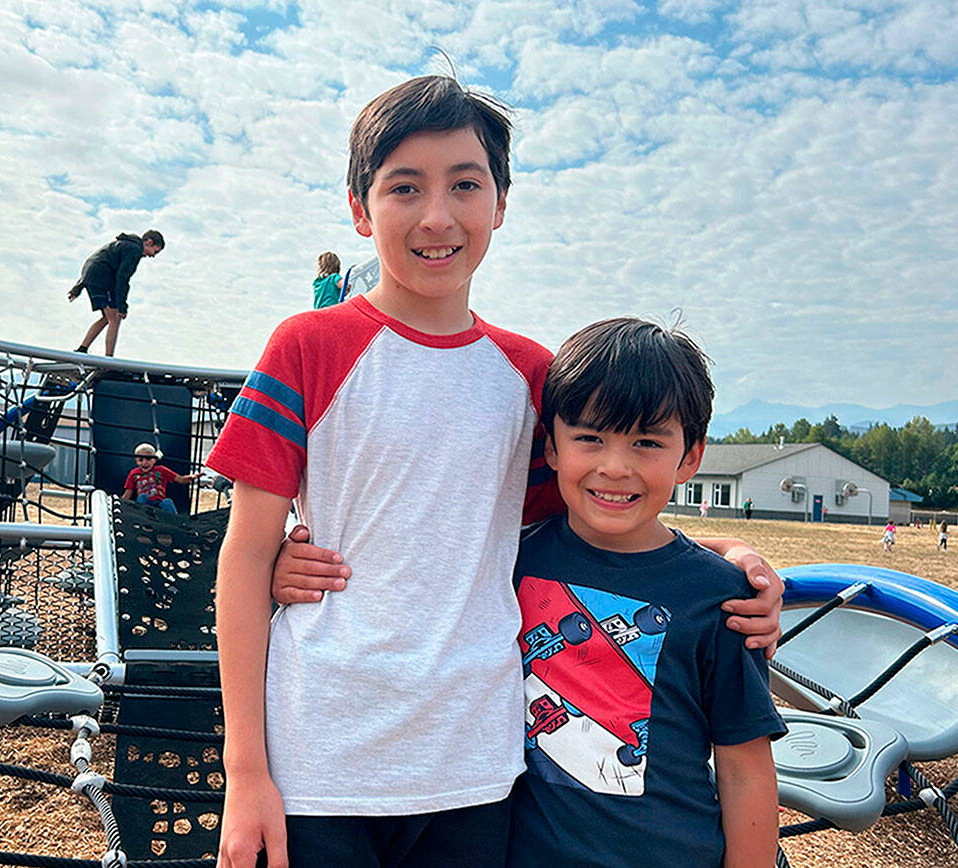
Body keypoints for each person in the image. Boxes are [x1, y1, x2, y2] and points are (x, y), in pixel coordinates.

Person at [207, 75, 782, 868]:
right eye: (404, 187)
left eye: (465, 185)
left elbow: (596, 519)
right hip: (319, 752)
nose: (437, 216)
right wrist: (246, 771)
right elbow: (243, 553)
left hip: (477, 761)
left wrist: (725, 561)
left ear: (501, 203)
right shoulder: (307, 348)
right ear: (358, 207)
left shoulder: (534, 378)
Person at [506, 317, 784, 867]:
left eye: (646, 443)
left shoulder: (722, 596)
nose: (615, 467)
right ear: (552, 446)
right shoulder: (508, 559)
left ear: (690, 458)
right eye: (590, 438)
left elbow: (745, 770)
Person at [69, 230, 165, 356]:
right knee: (115, 318)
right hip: (101, 277)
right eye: (155, 251)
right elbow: (122, 277)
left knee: (107, 318)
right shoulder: (134, 250)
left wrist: (78, 287)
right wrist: (122, 305)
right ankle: (109, 358)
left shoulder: (123, 244)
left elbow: (96, 260)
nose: (152, 256)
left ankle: (83, 349)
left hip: (94, 275)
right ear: (149, 242)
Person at [121, 442, 199, 514]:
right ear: (136, 461)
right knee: (142, 497)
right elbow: (128, 493)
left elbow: (180, 479)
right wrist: (120, 504)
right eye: (141, 460)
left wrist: (191, 477)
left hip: (160, 503)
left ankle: (175, 521)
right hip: (145, 504)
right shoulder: (134, 473)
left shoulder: (161, 470)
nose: (145, 462)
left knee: (168, 502)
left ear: (154, 460)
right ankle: (142, 517)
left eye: (148, 459)